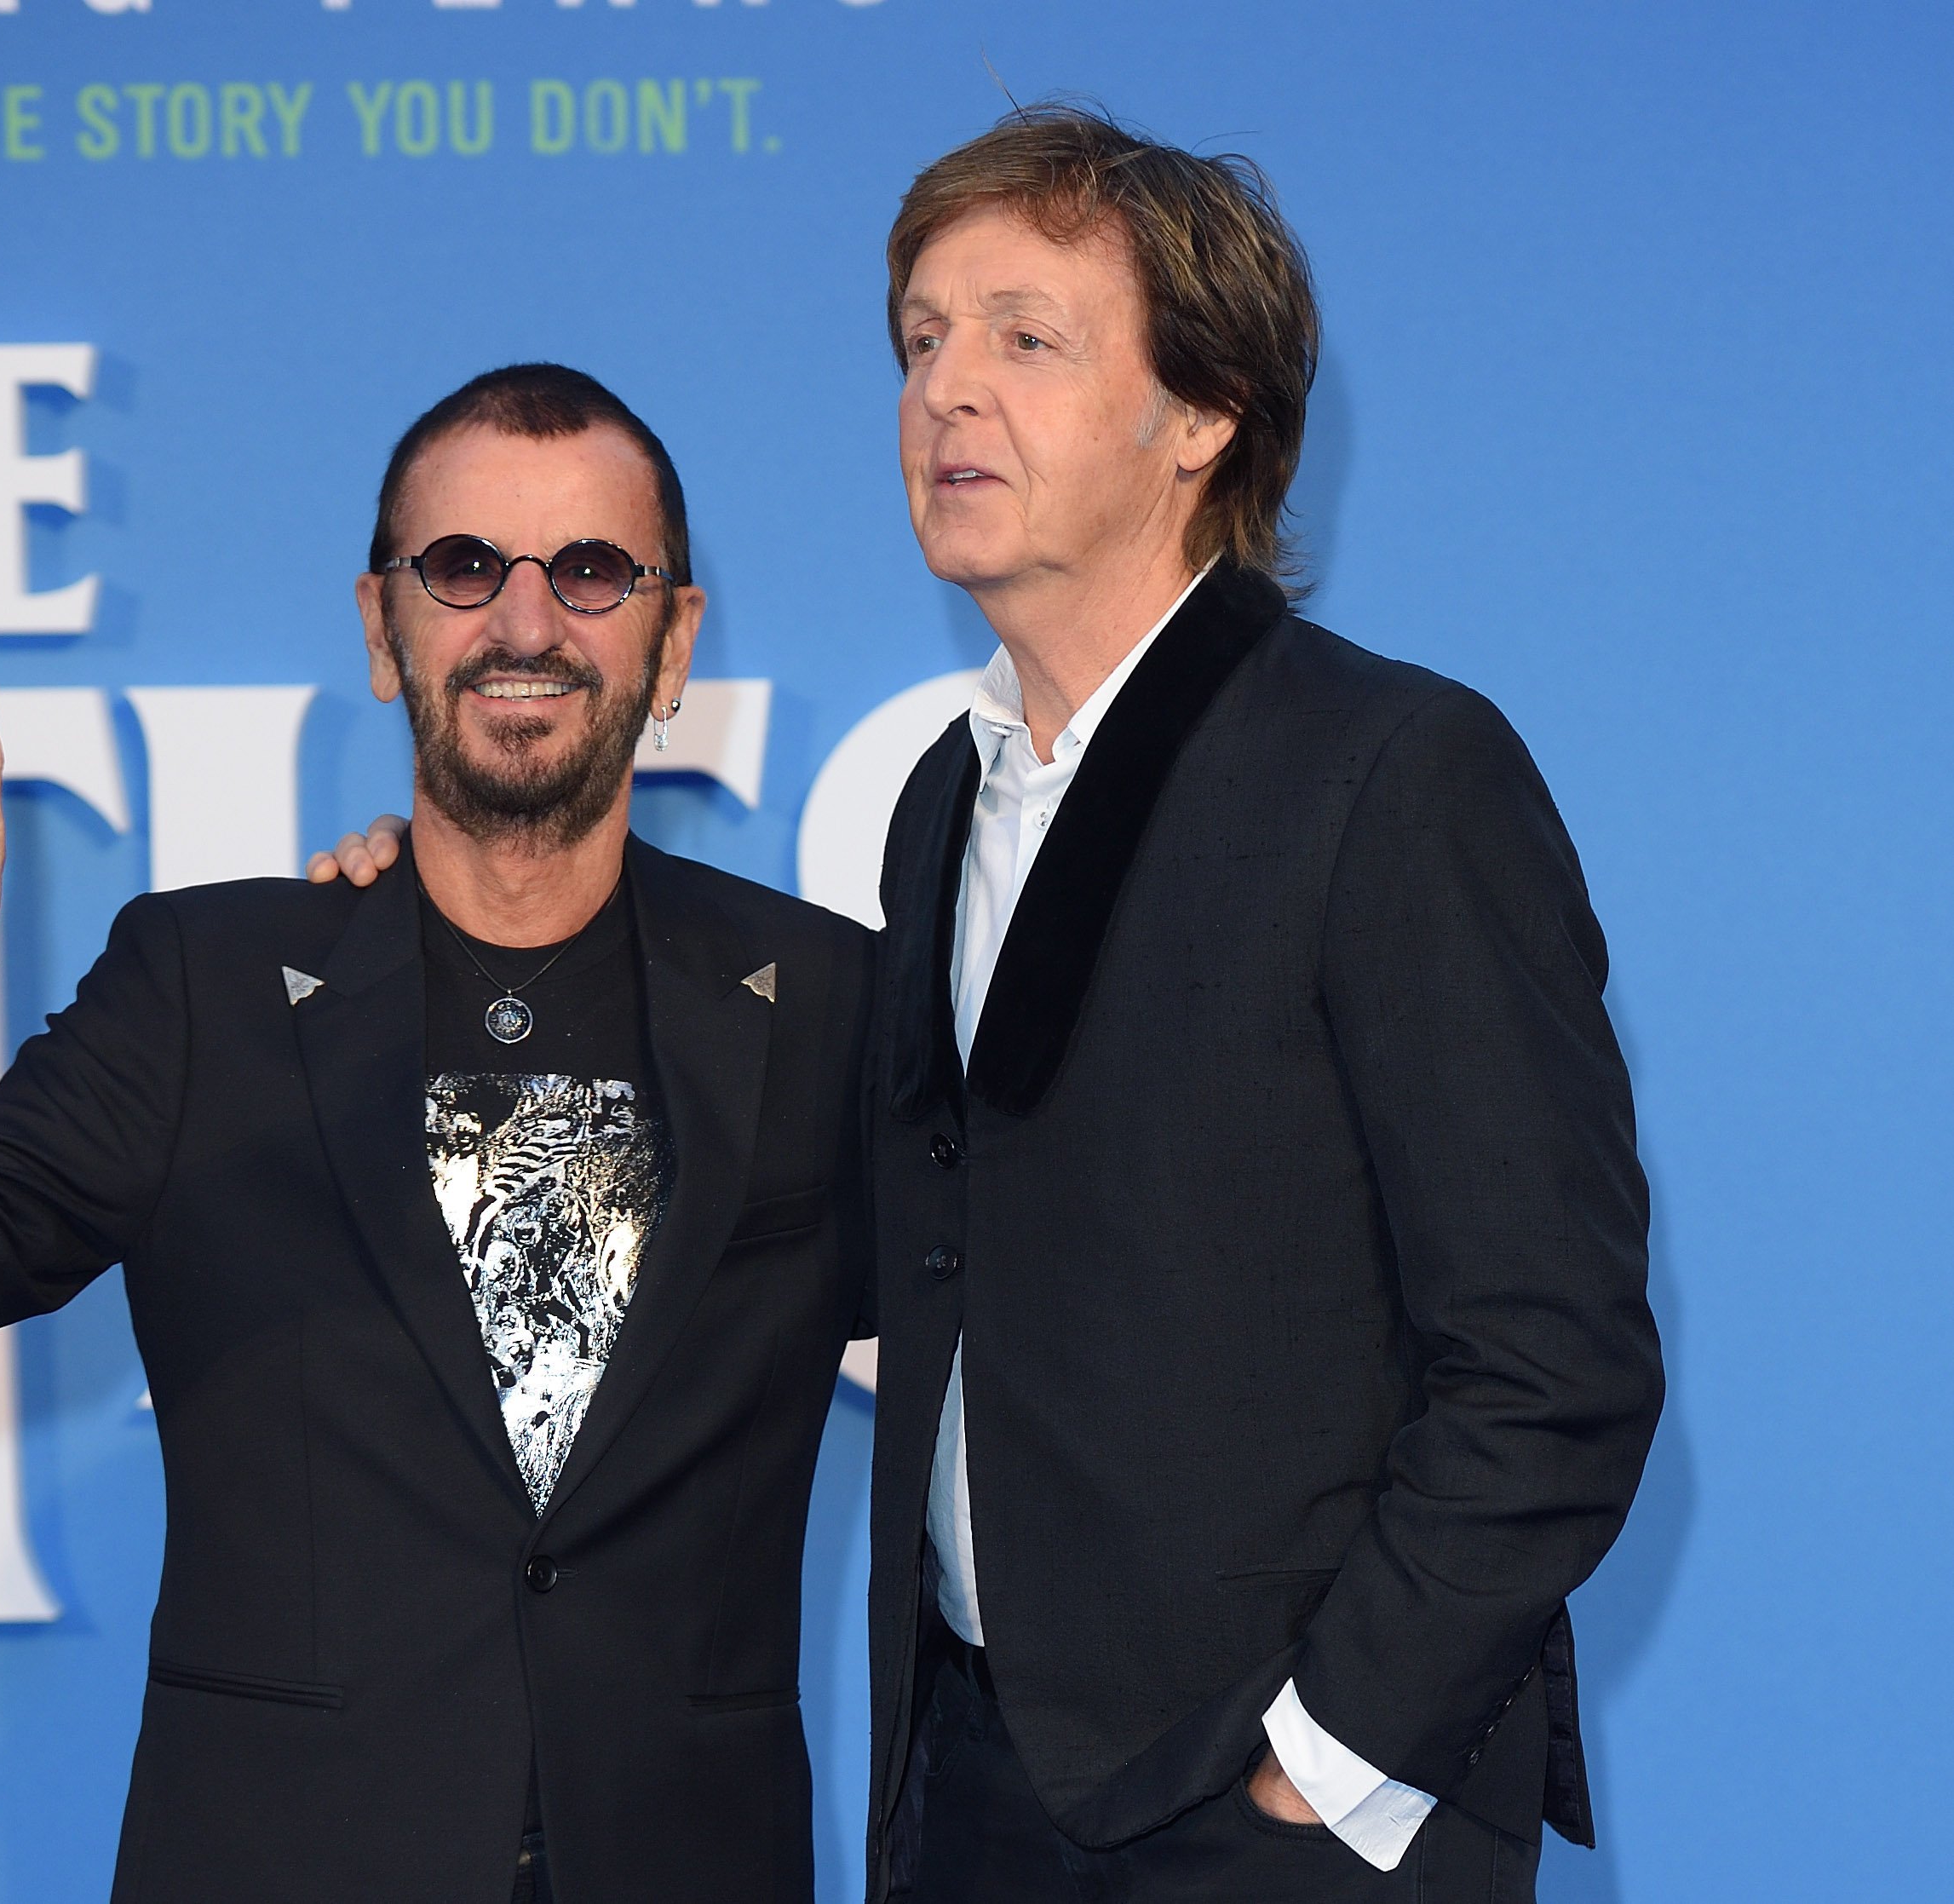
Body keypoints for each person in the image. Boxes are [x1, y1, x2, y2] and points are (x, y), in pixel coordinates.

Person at [320, 110, 1664, 1904]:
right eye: (920, 341)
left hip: (1267, 1820)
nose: (945, 392)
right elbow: (883, 1235)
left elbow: (1555, 1362)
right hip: (967, 1786)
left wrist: (1317, 1763)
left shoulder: (1390, 773)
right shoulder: (943, 807)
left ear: (1199, 420)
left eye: (1023, 338)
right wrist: (459, 927)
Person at [0, 365, 873, 1904]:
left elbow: (1050, 1317)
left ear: (673, 638)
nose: (524, 621)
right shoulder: (203, 989)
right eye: (463, 568)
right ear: (381, 630)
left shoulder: (825, 1002)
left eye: (591, 571)